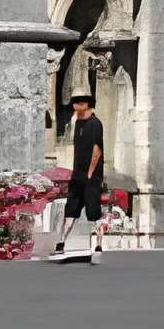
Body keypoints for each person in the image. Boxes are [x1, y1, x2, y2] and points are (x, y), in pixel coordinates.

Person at [54, 82, 105, 260]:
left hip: (91, 177)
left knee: (93, 212)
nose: (75, 107)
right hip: (77, 175)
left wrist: (91, 172)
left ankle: (98, 245)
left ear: (86, 105)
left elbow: (97, 149)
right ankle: (61, 243)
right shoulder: (79, 124)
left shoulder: (95, 124)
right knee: (71, 210)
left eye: (78, 104)